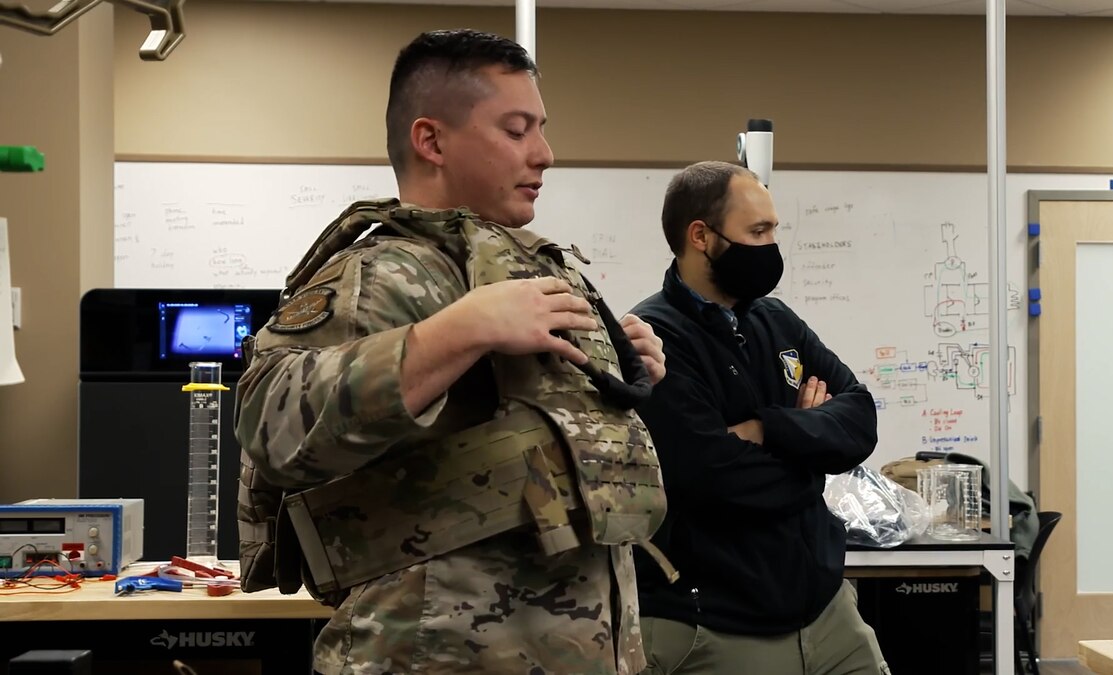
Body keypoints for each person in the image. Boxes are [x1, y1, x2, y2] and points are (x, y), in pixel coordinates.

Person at [234, 29, 671, 675]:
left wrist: (623, 365)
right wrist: (459, 331)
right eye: (517, 130)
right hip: (428, 655)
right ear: (432, 140)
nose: (545, 154)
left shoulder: (524, 269)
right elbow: (271, 422)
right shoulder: (383, 273)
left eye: (542, 129)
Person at [629, 160, 889, 674]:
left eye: (774, 230)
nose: (771, 247)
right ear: (701, 236)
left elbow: (859, 417)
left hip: (826, 611)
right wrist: (814, 458)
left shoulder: (776, 319)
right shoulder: (656, 339)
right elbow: (712, 479)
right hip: (719, 623)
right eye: (758, 231)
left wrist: (770, 429)